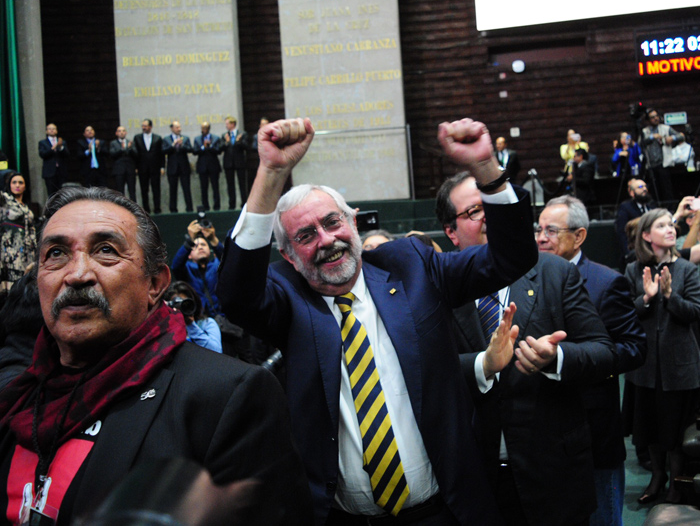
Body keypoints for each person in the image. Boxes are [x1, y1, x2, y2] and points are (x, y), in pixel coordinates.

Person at [218, 117, 539, 524]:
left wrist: (487, 171)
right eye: (305, 235)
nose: (326, 240)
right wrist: (271, 173)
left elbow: (511, 257)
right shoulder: (288, 299)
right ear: (288, 257)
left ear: (352, 222)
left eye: (332, 222)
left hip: (447, 511)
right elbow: (234, 296)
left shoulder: (412, 267)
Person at [0, 186, 311, 525]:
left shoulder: (228, 396)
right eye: (56, 253)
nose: (76, 274)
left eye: (105, 250)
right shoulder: (17, 399)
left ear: (155, 283)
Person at [436, 173, 617, 526]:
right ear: (450, 231)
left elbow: (604, 352)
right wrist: (482, 366)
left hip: (555, 478)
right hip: (476, 483)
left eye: (491, 206)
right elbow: (427, 371)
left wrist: (557, 358)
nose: (488, 216)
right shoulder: (435, 288)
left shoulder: (555, 272)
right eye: (475, 210)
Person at [536, 195, 647, 526]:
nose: (541, 238)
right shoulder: (527, 278)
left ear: (580, 235)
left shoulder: (606, 282)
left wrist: (569, 359)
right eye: (538, 229)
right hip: (542, 435)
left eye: (551, 231)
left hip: (593, 433)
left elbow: (634, 348)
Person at [625, 208, 700, 505]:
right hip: (645, 366)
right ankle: (657, 477)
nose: (671, 229)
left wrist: (670, 297)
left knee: (675, 429)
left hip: (679, 365)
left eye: (672, 224)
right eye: (662, 225)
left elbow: (695, 311)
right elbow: (626, 314)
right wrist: (646, 298)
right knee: (651, 428)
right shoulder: (634, 270)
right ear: (646, 235)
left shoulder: (688, 270)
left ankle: (676, 484)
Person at [171, 219, 224, 317]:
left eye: (203, 244)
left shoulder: (217, 266)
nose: (200, 247)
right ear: (189, 255)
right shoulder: (187, 270)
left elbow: (228, 261)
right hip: (200, 319)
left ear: (210, 250)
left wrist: (213, 239)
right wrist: (190, 240)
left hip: (224, 318)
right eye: (195, 246)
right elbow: (176, 266)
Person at [0, 172, 37, 291]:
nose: (17, 185)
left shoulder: (27, 208)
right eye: (14, 182)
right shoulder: (6, 201)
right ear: (9, 185)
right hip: (9, 251)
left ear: (25, 186)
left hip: (27, 251)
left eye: (20, 182)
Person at [164, 281, 222, 353]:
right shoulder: (167, 331)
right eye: (177, 304)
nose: (182, 308)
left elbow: (216, 352)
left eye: (186, 303)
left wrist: (191, 325)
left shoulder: (207, 324)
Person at [641, 109, 685, 202]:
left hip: (663, 163)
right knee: (654, 189)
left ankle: (670, 206)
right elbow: (641, 143)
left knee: (666, 188)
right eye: (652, 117)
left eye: (656, 116)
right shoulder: (645, 131)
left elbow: (681, 136)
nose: (655, 119)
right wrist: (652, 137)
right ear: (648, 120)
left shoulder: (665, 128)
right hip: (651, 164)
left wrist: (672, 138)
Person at [615, 178, 657, 268]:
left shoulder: (652, 206)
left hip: (653, 251)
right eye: (640, 187)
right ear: (632, 193)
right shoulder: (626, 207)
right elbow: (621, 232)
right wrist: (628, 253)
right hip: (635, 252)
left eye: (646, 186)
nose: (644, 189)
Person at [133, 118, 165, 214]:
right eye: (142, 126)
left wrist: (162, 166)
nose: (143, 128)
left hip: (155, 167)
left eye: (145, 126)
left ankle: (157, 209)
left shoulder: (157, 138)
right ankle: (146, 210)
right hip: (142, 168)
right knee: (144, 189)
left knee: (156, 189)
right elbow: (136, 154)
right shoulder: (137, 137)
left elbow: (161, 154)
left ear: (150, 127)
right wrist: (136, 167)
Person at [162, 120, 194, 213]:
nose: (179, 129)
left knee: (186, 189)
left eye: (179, 127)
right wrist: (173, 145)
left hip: (184, 167)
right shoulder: (167, 139)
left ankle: (189, 208)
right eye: (177, 127)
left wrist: (182, 145)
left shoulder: (185, 138)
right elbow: (163, 151)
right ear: (172, 128)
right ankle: (173, 209)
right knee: (173, 189)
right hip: (172, 168)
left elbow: (190, 149)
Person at [193, 122, 222, 211]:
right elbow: (195, 151)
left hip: (213, 166)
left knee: (215, 187)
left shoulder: (216, 138)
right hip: (202, 167)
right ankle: (205, 207)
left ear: (208, 129)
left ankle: (217, 207)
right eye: (202, 128)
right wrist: (203, 147)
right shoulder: (197, 139)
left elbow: (219, 150)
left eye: (205, 128)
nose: (203, 130)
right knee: (204, 188)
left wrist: (210, 146)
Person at [221, 116, 248, 210]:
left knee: (242, 184)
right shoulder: (225, 135)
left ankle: (244, 203)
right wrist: (227, 142)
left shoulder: (242, 134)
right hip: (228, 163)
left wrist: (238, 142)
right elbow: (220, 148)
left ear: (233, 124)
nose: (226, 126)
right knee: (230, 185)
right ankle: (231, 205)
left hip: (239, 162)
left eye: (227, 123)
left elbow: (246, 146)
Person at [38, 123, 70, 197]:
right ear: (46, 131)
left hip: (61, 171)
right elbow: (43, 154)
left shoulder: (62, 142)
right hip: (49, 172)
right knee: (51, 194)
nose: (52, 130)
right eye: (50, 129)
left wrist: (61, 146)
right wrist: (54, 147)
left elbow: (67, 154)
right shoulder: (42, 143)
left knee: (63, 194)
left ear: (56, 131)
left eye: (54, 129)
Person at [108, 126, 137, 201]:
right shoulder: (113, 143)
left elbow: (136, 154)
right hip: (119, 170)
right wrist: (124, 149)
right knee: (120, 191)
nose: (121, 132)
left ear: (126, 133)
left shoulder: (130, 142)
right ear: (116, 133)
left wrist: (129, 148)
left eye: (123, 131)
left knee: (132, 190)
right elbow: (112, 154)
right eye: (119, 131)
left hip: (130, 169)